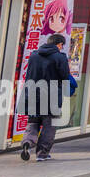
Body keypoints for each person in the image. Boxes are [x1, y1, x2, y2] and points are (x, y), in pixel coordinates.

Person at [18, 33, 72, 162]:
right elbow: (65, 76)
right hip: (51, 94)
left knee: (33, 122)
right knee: (49, 125)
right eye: (61, 45)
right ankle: (42, 153)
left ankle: (27, 142)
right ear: (59, 44)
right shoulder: (60, 57)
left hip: (33, 93)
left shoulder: (34, 55)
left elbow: (29, 73)